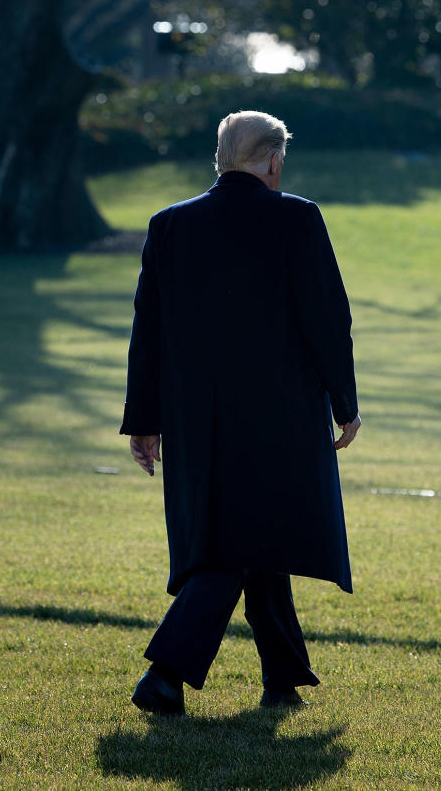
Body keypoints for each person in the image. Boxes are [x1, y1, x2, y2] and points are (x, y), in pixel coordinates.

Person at [120, 110, 362, 715]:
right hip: (278, 415)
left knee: (252, 534)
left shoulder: (170, 224)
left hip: (195, 420)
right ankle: (166, 673)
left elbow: (147, 331)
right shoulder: (297, 218)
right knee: (239, 542)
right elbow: (327, 320)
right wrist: (345, 403)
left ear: (222, 158)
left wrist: (144, 419)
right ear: (274, 160)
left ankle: (284, 674)